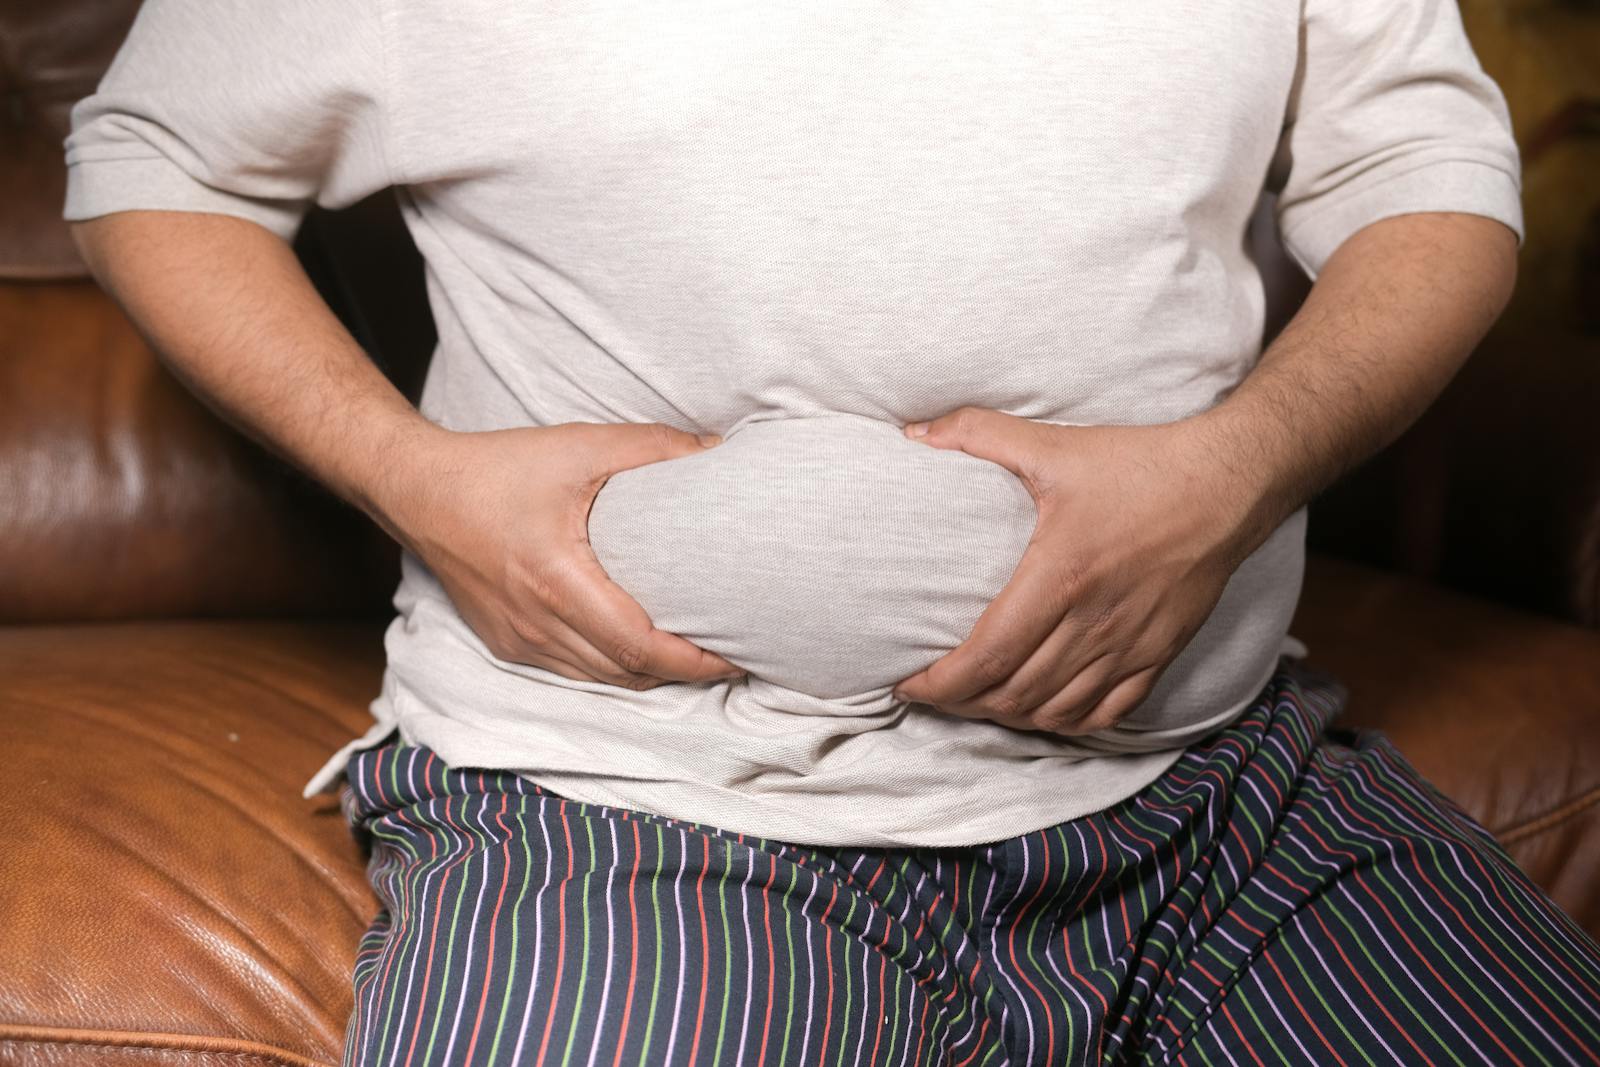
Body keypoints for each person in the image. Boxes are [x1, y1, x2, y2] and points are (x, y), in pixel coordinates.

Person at [62, 0, 1600, 1062]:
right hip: (635, 810)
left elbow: (1416, 168)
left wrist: (1243, 465)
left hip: (1219, 787)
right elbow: (153, 156)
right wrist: (405, 470)